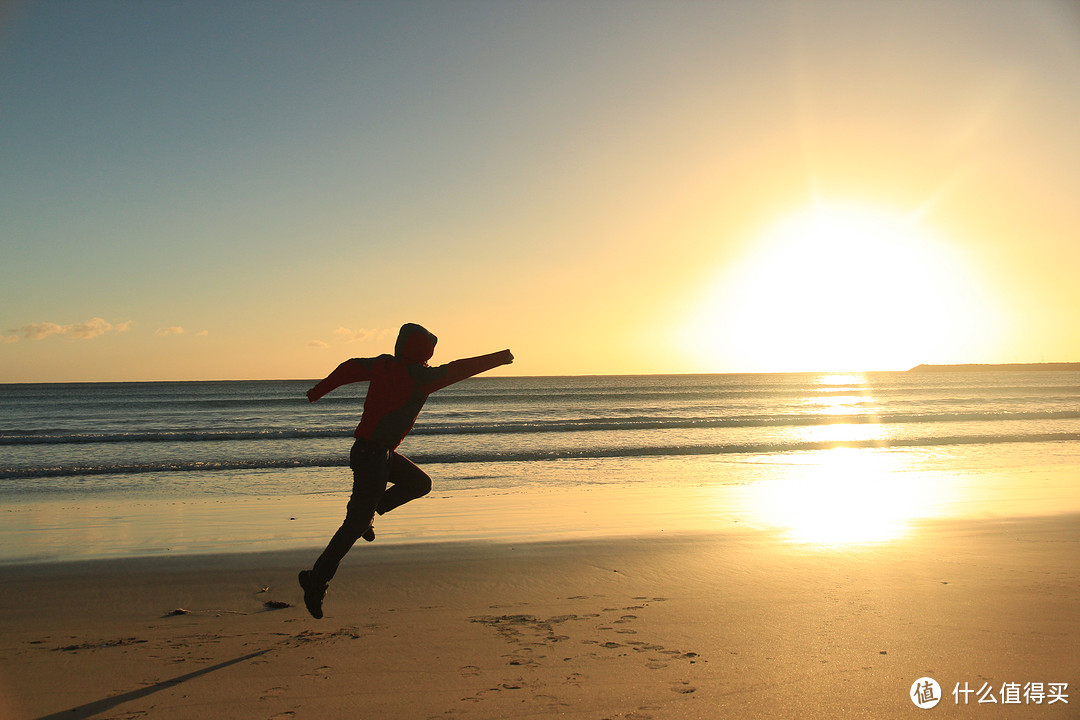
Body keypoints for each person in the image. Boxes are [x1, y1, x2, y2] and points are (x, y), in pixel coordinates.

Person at [298, 323, 513, 618]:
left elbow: (349, 367)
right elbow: (459, 369)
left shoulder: (383, 364)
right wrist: (498, 358)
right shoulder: (423, 377)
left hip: (373, 452)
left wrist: (317, 392)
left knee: (420, 483)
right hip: (372, 456)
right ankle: (316, 579)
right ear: (425, 351)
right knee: (354, 526)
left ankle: (372, 511)